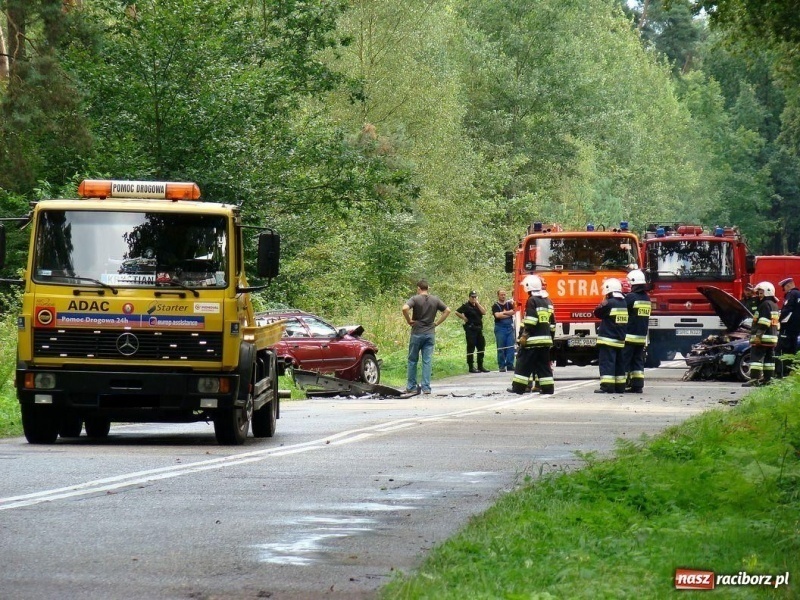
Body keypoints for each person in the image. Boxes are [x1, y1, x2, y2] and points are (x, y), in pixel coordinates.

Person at [507, 275, 555, 395]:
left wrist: (524, 336)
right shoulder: (548, 301)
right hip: (545, 341)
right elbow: (553, 323)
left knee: (523, 363)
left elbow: (531, 321)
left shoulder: (532, 300)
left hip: (533, 340)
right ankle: (548, 388)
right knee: (544, 366)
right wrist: (550, 338)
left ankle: (518, 388)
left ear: (529, 287)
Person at [402, 280, 451, 394]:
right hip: (430, 333)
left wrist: (409, 320)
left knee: (413, 360)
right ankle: (426, 387)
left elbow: (404, 308)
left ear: (418, 288)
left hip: (417, 332)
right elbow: (447, 310)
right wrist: (436, 323)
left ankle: (411, 386)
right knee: (427, 361)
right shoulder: (435, 299)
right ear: (427, 288)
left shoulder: (415, 299)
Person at [594, 278, 628, 393]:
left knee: (607, 362)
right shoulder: (624, 302)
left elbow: (597, 312)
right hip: (620, 340)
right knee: (619, 363)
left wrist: (603, 301)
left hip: (608, 340)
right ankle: (620, 387)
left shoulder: (609, 303)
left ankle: (607, 387)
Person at [743, 281, 779, 387]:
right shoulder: (774, 304)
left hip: (763, 337)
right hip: (772, 337)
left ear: (768, 292)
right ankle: (768, 380)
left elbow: (764, 322)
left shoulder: (765, 305)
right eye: (759, 292)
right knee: (769, 361)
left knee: (756, 360)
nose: (759, 294)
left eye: (761, 292)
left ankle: (754, 380)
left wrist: (758, 335)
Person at [622, 269, 650, 393]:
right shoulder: (647, 298)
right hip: (641, 337)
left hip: (629, 336)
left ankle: (622, 384)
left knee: (624, 361)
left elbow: (622, 309)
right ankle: (637, 385)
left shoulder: (631, 297)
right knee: (637, 361)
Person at [456, 291, 489, 373]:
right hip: (471, 329)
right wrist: (463, 318)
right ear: (469, 297)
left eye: (475, 297)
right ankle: (471, 366)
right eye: (472, 297)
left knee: (481, 346)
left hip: (479, 329)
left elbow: (484, 312)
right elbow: (456, 312)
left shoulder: (478, 305)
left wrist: (477, 303)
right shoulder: (466, 306)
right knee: (471, 347)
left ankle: (480, 366)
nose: (474, 298)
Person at [492, 289, 516, 373]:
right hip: (500, 328)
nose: (503, 296)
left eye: (504, 294)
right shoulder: (495, 306)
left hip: (509, 328)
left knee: (510, 347)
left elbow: (514, 312)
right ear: (498, 295)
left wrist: (503, 313)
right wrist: (507, 314)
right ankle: (501, 366)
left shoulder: (509, 304)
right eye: (501, 294)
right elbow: (497, 316)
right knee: (501, 348)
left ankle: (510, 365)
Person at [779, 277, 800, 356]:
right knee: (793, 352)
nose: (785, 291)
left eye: (784, 288)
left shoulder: (791, 294)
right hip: (797, 329)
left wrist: (780, 319)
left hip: (788, 329)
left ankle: (784, 368)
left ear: (788, 286)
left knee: (784, 353)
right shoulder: (798, 294)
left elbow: (787, 310)